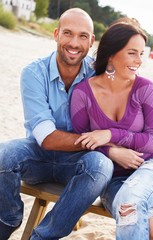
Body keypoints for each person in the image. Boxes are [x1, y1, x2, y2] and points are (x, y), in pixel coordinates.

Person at [0, 8, 114, 240]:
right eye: (68, 33)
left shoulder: (99, 75)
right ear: (56, 34)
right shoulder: (34, 73)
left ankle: (42, 236)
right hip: (37, 156)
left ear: (91, 41)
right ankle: (7, 220)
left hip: (78, 163)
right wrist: (93, 140)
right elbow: (47, 137)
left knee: (102, 165)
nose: (74, 43)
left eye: (83, 36)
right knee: (4, 154)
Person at [70, 20, 153, 240]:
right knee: (130, 211)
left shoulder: (145, 89)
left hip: (152, 168)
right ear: (111, 54)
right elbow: (80, 144)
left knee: (130, 203)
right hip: (114, 180)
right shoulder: (83, 94)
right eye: (132, 53)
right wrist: (112, 152)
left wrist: (111, 135)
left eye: (141, 53)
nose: (139, 61)